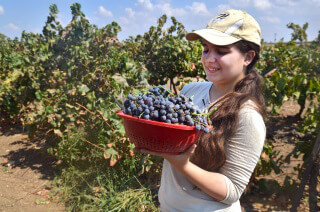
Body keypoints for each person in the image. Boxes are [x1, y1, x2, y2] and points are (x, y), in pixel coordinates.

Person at [134, 9, 266, 211]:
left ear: (248, 57)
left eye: (221, 51)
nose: (209, 59)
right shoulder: (191, 91)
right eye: (206, 49)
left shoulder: (248, 116)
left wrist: (181, 164)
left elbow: (231, 191)